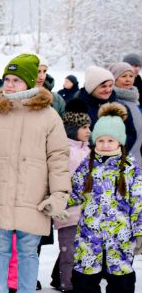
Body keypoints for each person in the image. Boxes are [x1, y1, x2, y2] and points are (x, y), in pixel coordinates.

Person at [0, 54, 71, 293]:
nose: (9, 85)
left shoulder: (49, 116)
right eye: (7, 79)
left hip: (33, 198)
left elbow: (58, 159)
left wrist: (59, 194)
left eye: (16, 80)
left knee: (28, 252)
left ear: (29, 82)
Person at [68, 102, 142, 292]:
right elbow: (75, 191)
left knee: (121, 283)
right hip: (89, 235)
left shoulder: (130, 168)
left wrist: (140, 232)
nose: (105, 145)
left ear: (120, 141)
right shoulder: (87, 164)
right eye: (101, 140)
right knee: (85, 282)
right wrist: (57, 203)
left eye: (110, 140)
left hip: (120, 237)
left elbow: (138, 202)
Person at [48, 98, 91, 293]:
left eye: (89, 126)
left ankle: (78, 283)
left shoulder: (89, 150)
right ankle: (67, 284)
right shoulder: (65, 151)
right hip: (69, 210)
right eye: (84, 127)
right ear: (73, 129)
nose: (88, 131)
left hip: (86, 210)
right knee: (68, 252)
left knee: (84, 250)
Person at [68, 66, 137, 152]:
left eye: (111, 86)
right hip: (87, 156)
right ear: (92, 87)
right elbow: (73, 135)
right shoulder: (77, 106)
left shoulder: (120, 107)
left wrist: (118, 149)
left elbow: (131, 133)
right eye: (103, 86)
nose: (108, 90)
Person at [108, 62, 142, 163]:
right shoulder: (114, 102)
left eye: (131, 76)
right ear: (114, 78)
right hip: (124, 157)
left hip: (138, 155)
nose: (128, 79)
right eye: (123, 76)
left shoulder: (134, 100)